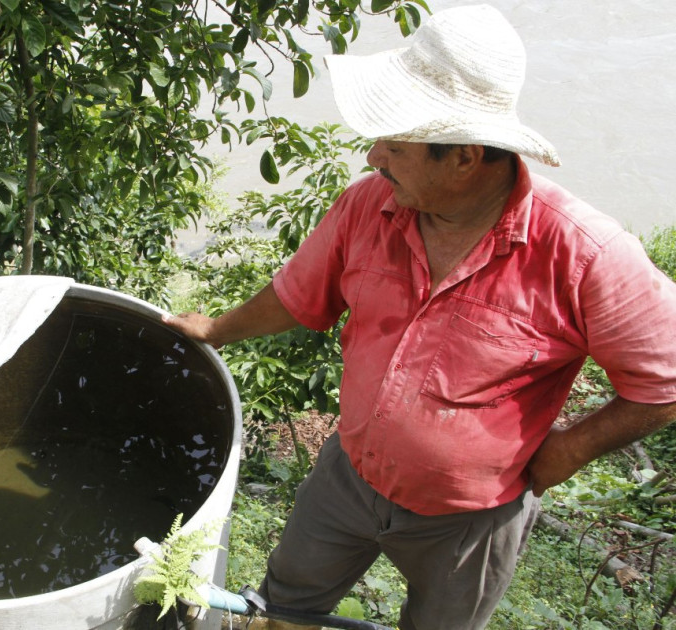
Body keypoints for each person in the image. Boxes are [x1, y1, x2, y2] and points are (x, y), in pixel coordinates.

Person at [163, 4, 676, 630]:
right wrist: (216, 329)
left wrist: (571, 449)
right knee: (284, 607)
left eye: (396, 145)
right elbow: (297, 296)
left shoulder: (585, 254)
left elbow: (664, 383)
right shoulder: (367, 206)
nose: (375, 156)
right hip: (348, 479)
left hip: (471, 520)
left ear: (462, 156)